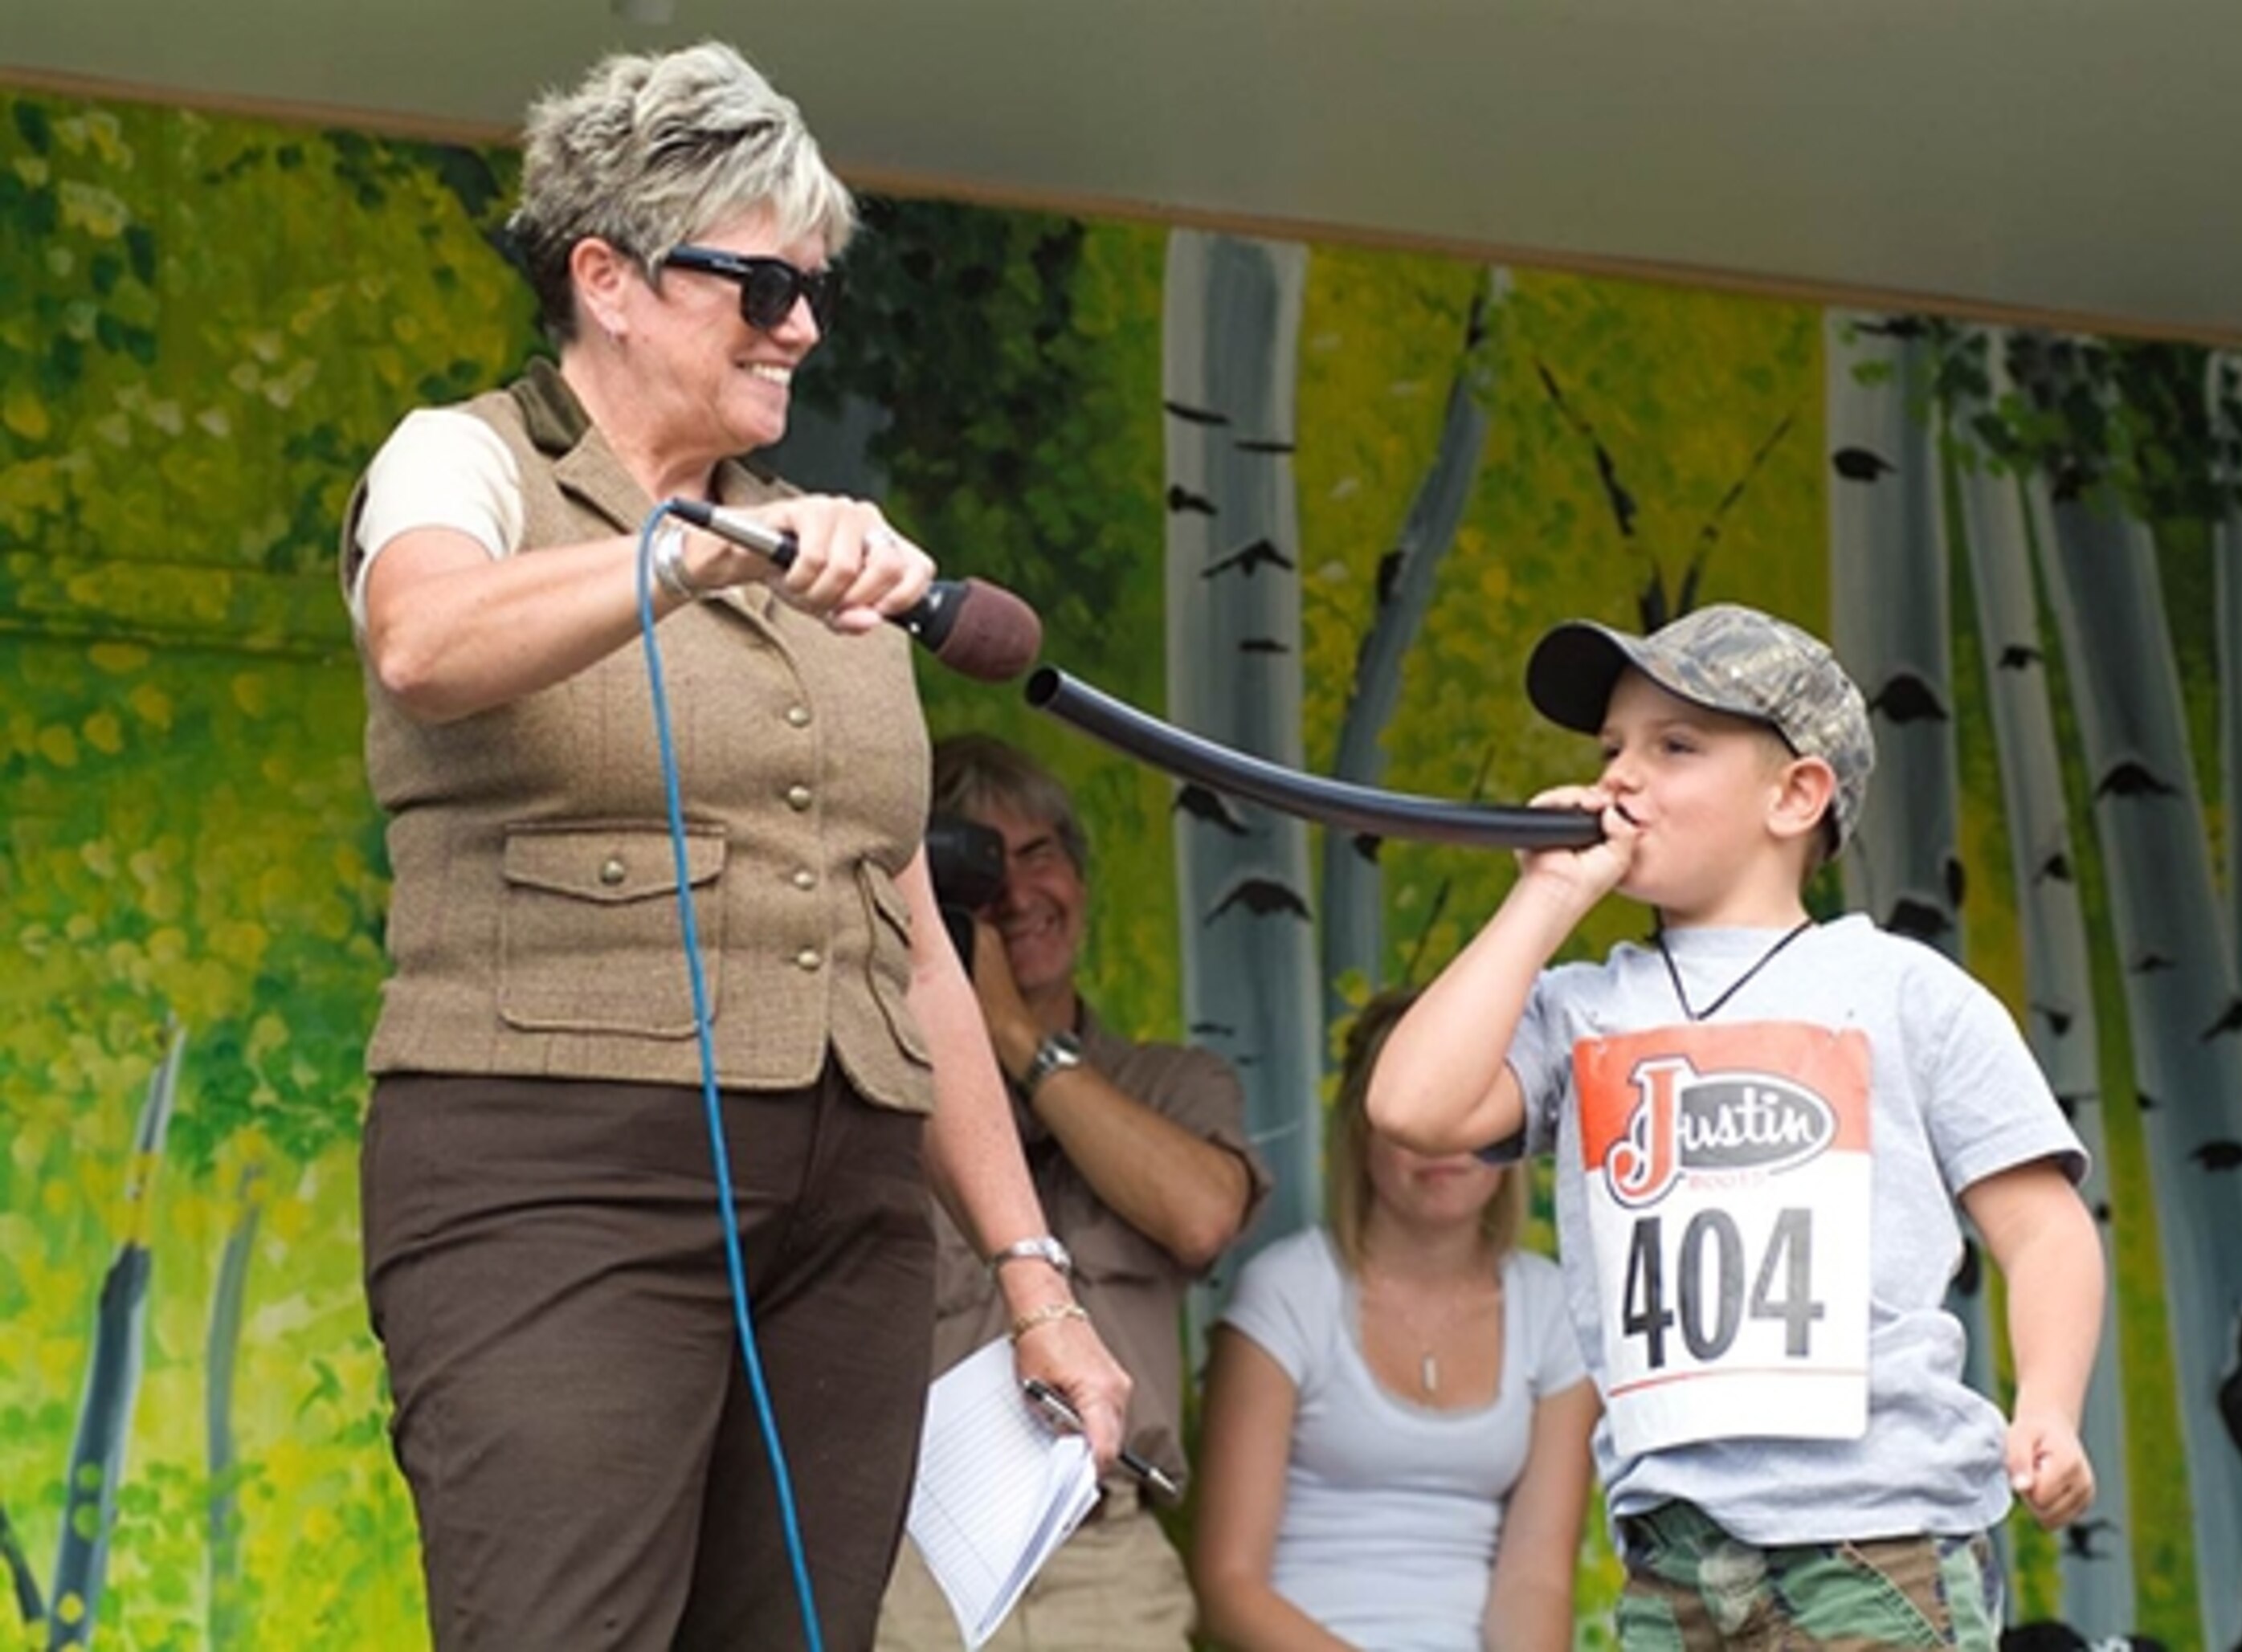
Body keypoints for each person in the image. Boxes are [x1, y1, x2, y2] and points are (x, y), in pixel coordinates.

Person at [341, 44, 1126, 1652]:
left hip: (843, 1210)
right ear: (608, 277)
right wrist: (690, 554)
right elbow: (423, 641)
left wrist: (1033, 1276)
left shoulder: (829, 553)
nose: (803, 326)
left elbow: (909, 936)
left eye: (815, 286)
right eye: (762, 283)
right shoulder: (473, 455)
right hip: (552, 1170)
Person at [1365, 603, 2104, 1650]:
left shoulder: (1903, 990)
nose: (1624, 776)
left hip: (1880, 1533)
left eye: (1676, 746)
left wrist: (2051, 1405)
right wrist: (1544, 898)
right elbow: (1411, 1107)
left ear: (1796, 794)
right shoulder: (1581, 1005)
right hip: (1675, 1553)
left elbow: (2045, 1228)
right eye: (1612, 748)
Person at [875, 733, 1267, 1650]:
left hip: (1105, 1548)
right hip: (915, 1548)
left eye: (1039, 854)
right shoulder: (884, 1085)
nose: (1013, 893)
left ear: (1082, 882)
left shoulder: (1173, 1081)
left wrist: (1011, 1032)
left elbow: (1202, 1214)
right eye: (974, 864)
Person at [1191, 988, 1599, 1651]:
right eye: (1415, 1115)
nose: (1443, 1141)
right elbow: (1229, 1585)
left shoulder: (1553, 1308)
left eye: (1470, 1110)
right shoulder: (1288, 1291)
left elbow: (1536, 1581)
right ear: (1361, 1130)